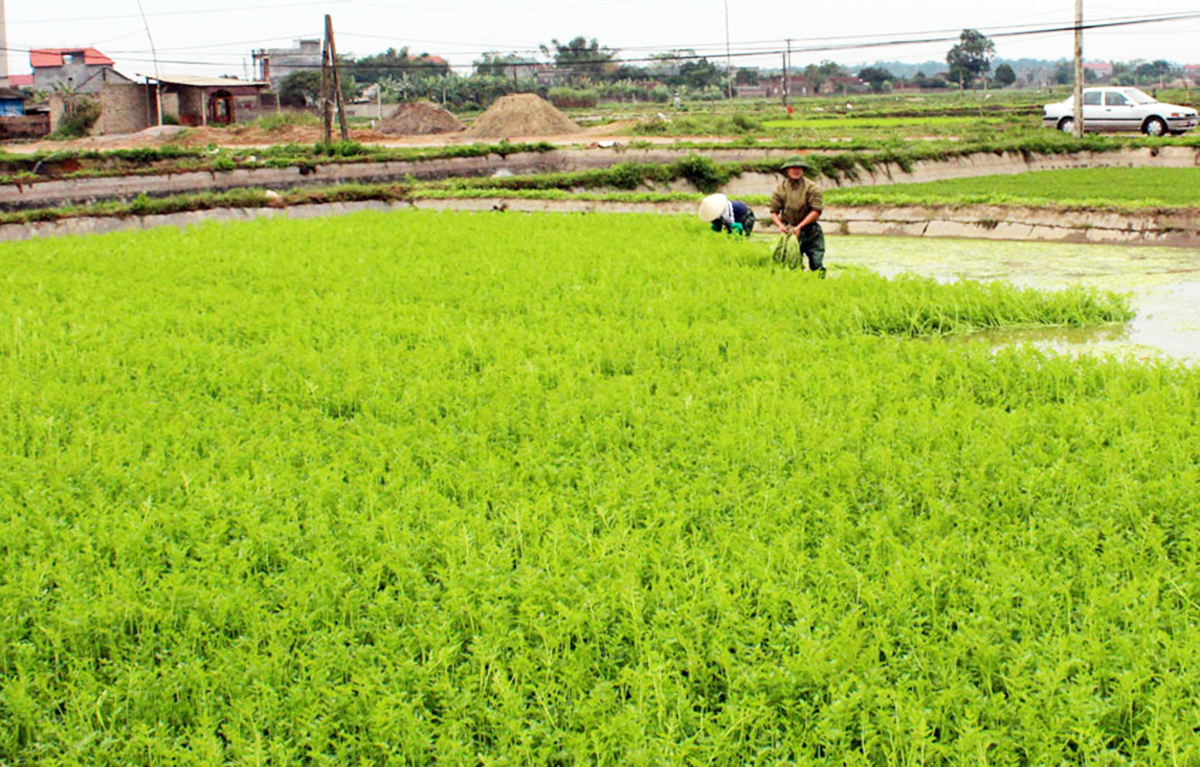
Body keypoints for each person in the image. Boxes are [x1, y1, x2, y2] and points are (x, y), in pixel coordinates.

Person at [769, 156, 825, 276]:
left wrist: (800, 226)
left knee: (816, 264)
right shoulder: (780, 189)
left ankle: (821, 286)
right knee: (792, 264)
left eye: (799, 168)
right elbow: (773, 211)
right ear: (787, 170)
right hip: (790, 232)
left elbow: (816, 211)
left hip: (811, 231)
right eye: (793, 168)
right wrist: (781, 226)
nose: (796, 171)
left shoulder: (813, 188)